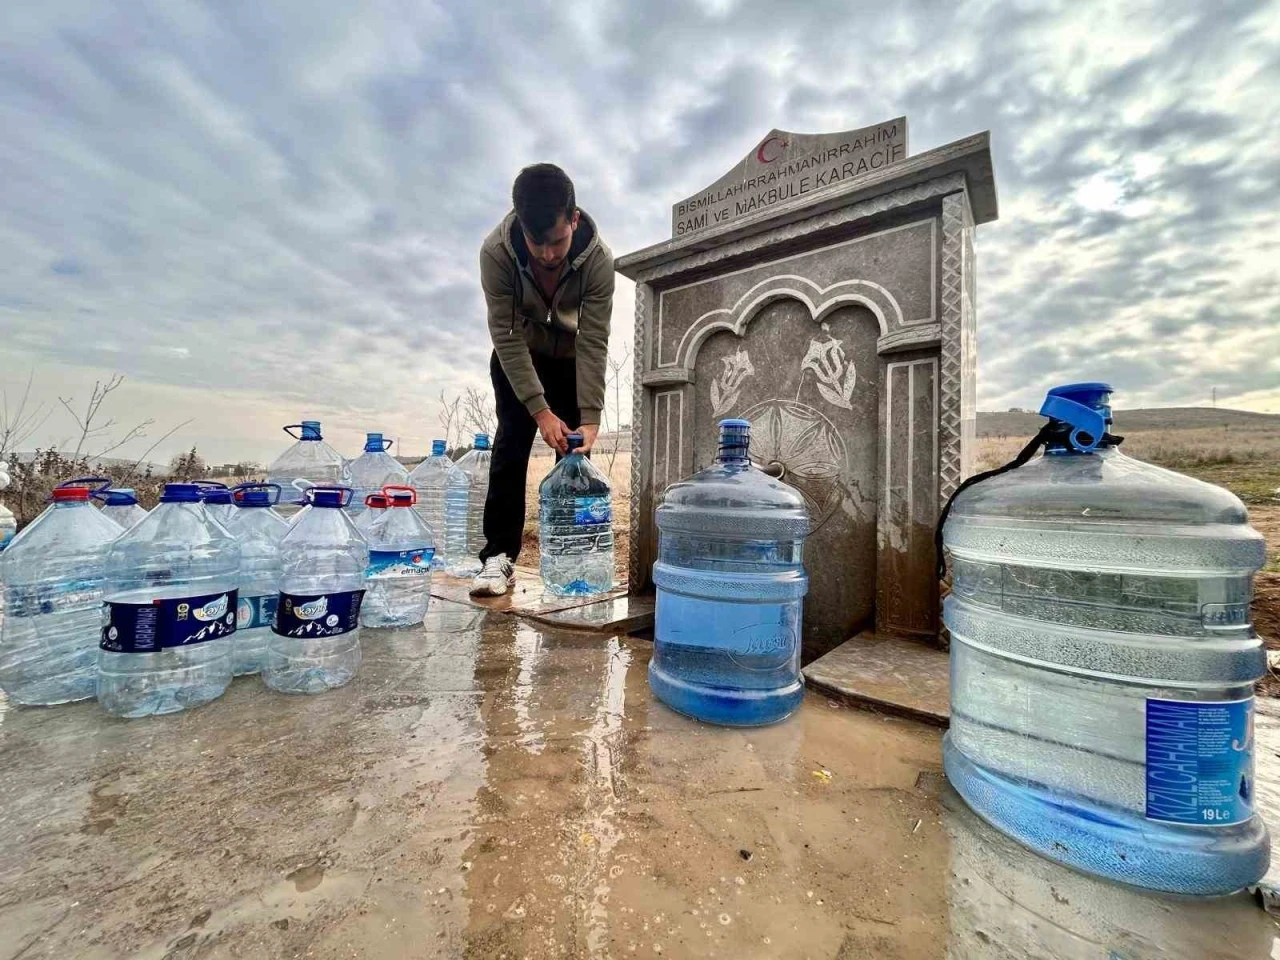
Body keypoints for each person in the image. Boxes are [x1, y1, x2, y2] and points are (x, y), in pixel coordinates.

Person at [470, 163, 615, 597]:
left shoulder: (599, 261)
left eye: (557, 241)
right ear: (520, 225)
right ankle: (498, 556)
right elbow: (507, 336)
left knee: (574, 455)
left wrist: (590, 416)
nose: (548, 255)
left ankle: (572, 557)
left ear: (574, 219)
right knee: (511, 444)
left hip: (571, 358)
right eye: (537, 244)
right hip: (520, 354)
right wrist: (539, 410)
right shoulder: (496, 254)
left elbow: (593, 339)